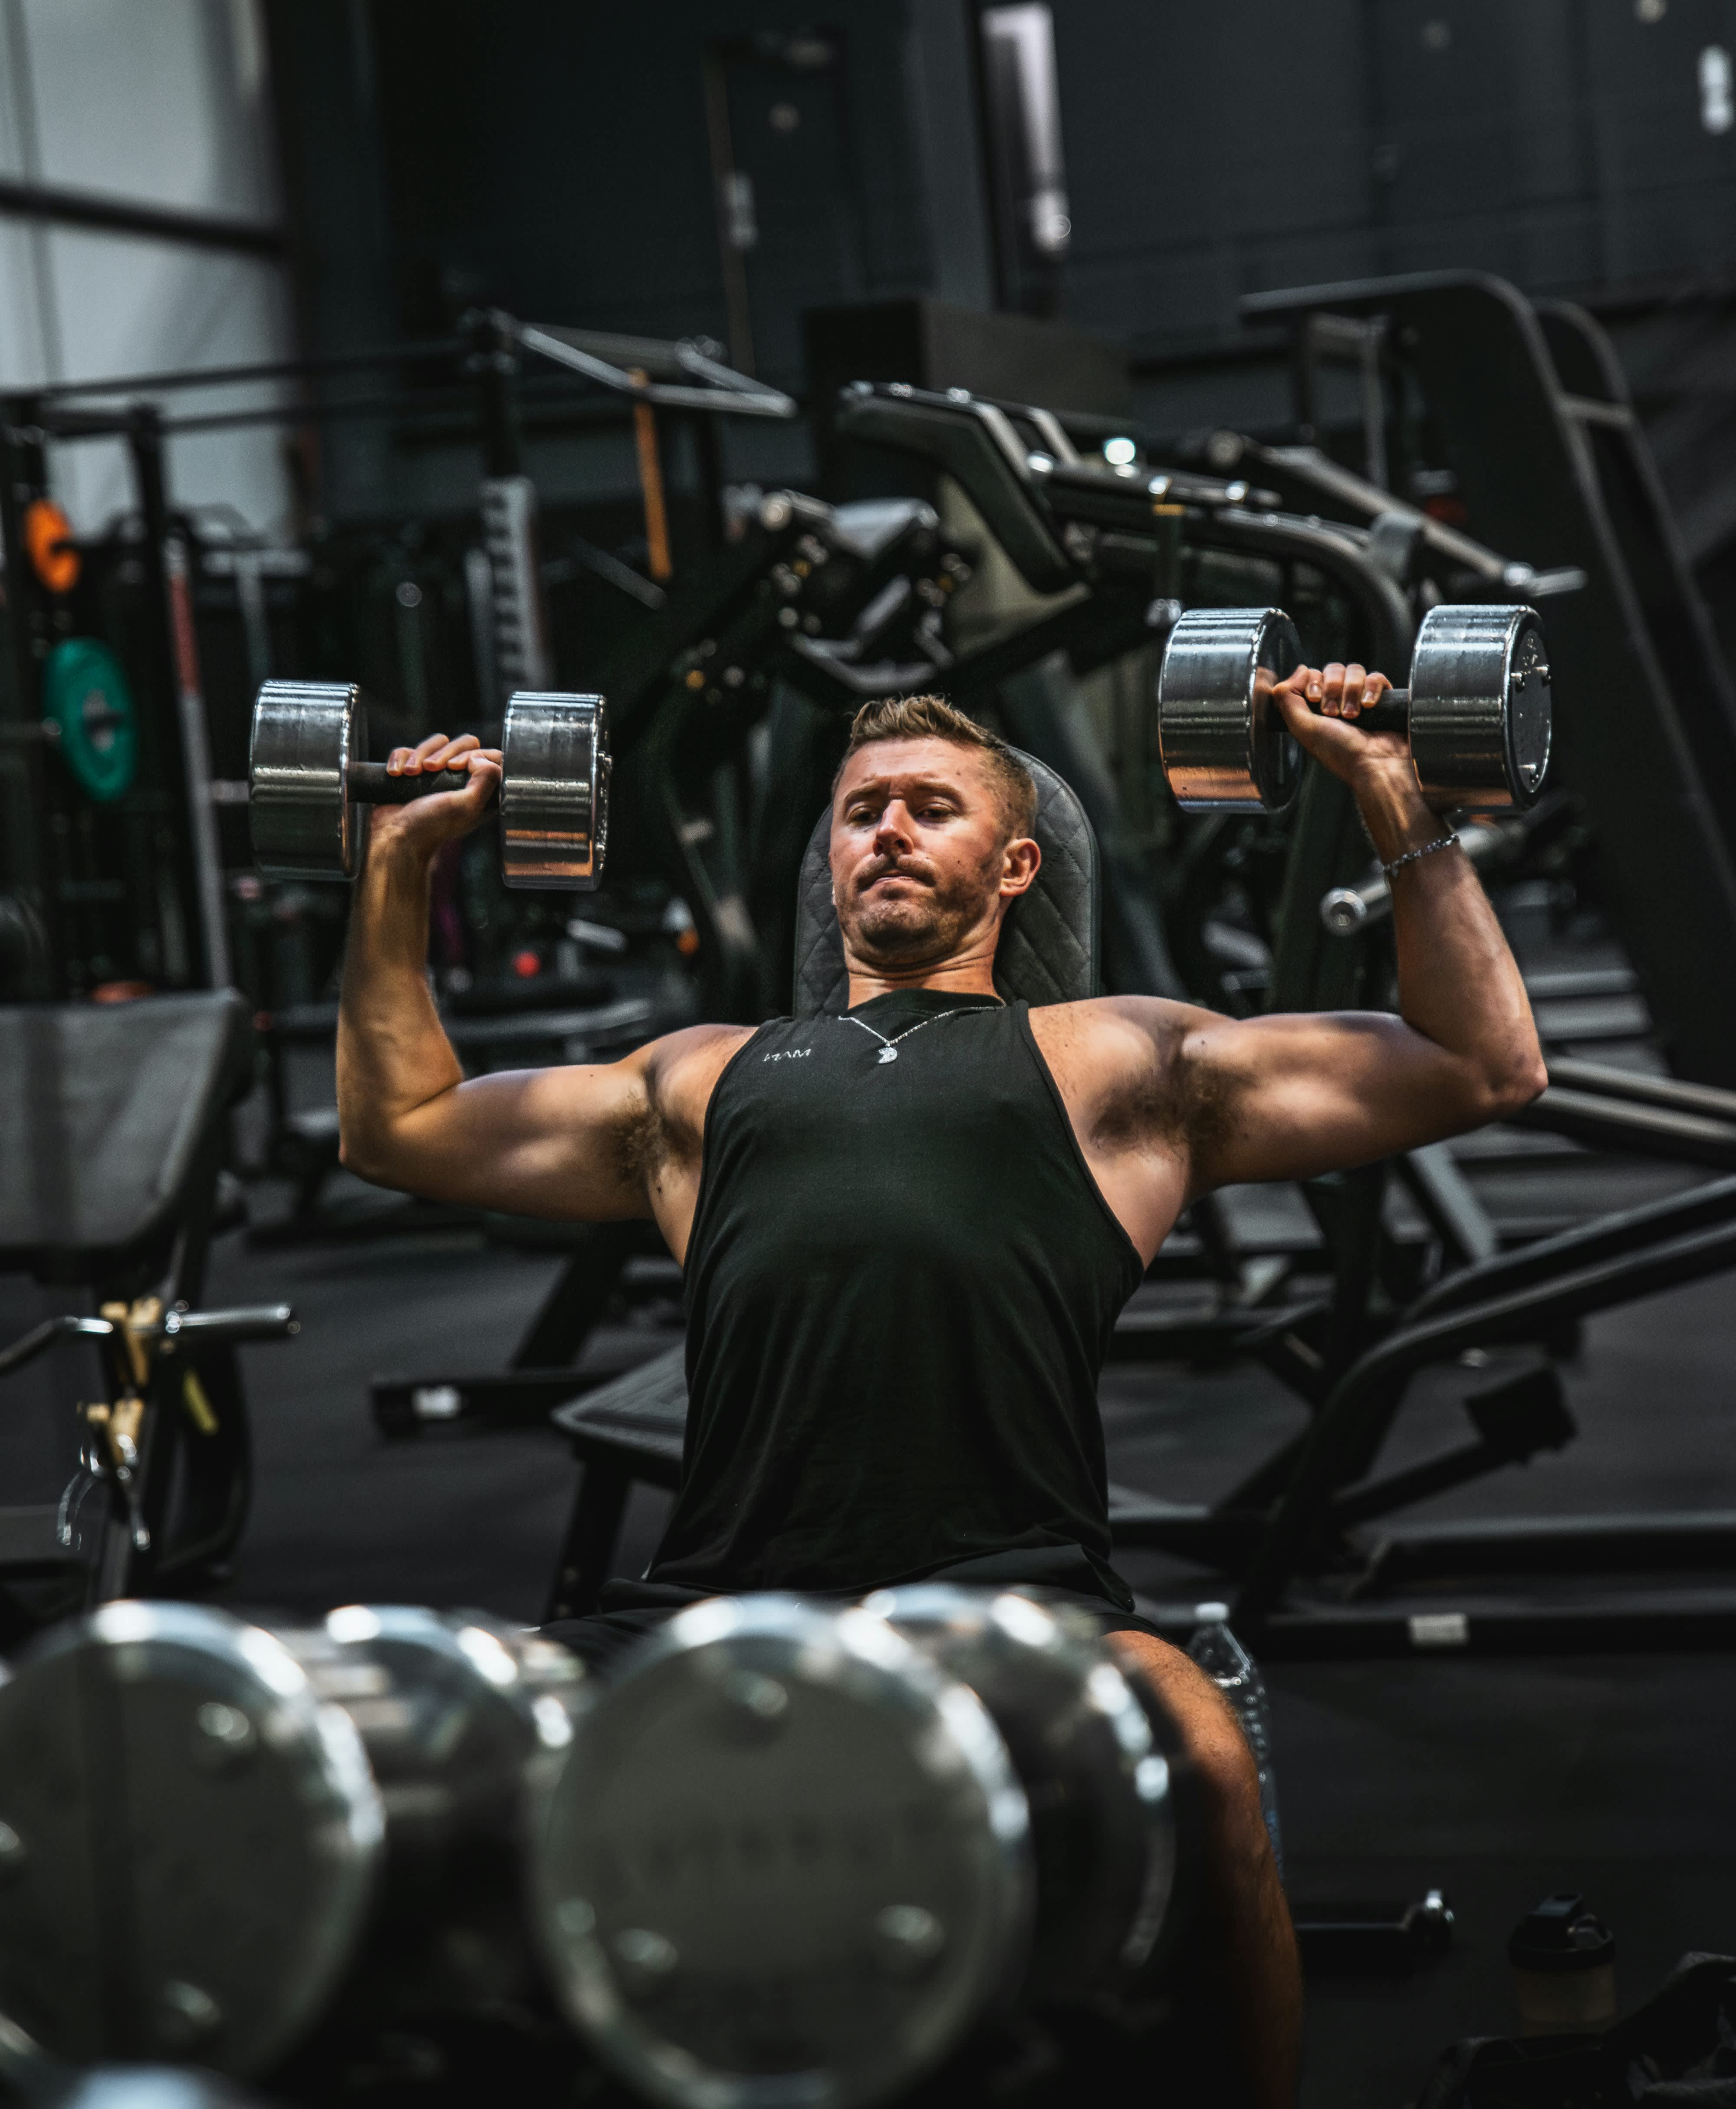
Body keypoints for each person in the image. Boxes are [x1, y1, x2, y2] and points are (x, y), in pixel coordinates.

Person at [338, 664, 1545, 2107]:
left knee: (1207, 1765)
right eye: (860, 814)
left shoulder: (1115, 1061)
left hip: (1019, 1596)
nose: (888, 834)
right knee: (435, 1769)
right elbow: (396, 1126)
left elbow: (1481, 1065)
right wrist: (400, 866)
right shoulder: (698, 1082)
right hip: (722, 1596)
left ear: (1017, 864)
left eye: (930, 808)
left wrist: (1392, 794)